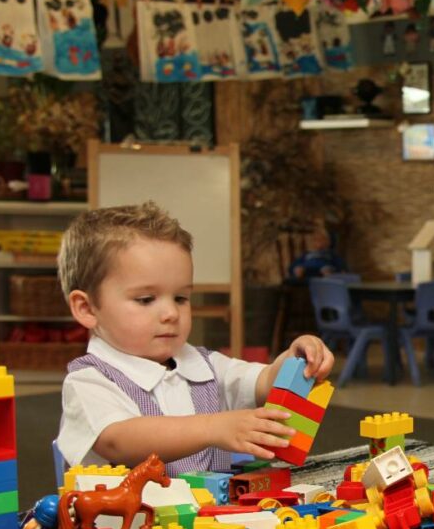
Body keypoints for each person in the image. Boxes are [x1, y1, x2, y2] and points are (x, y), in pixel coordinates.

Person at [56, 203, 335, 474]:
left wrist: (295, 360)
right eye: (146, 299)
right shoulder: (89, 380)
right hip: (129, 508)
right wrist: (212, 428)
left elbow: (263, 382)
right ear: (87, 308)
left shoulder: (204, 365)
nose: (170, 313)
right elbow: (117, 440)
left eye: (181, 298)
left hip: (211, 506)